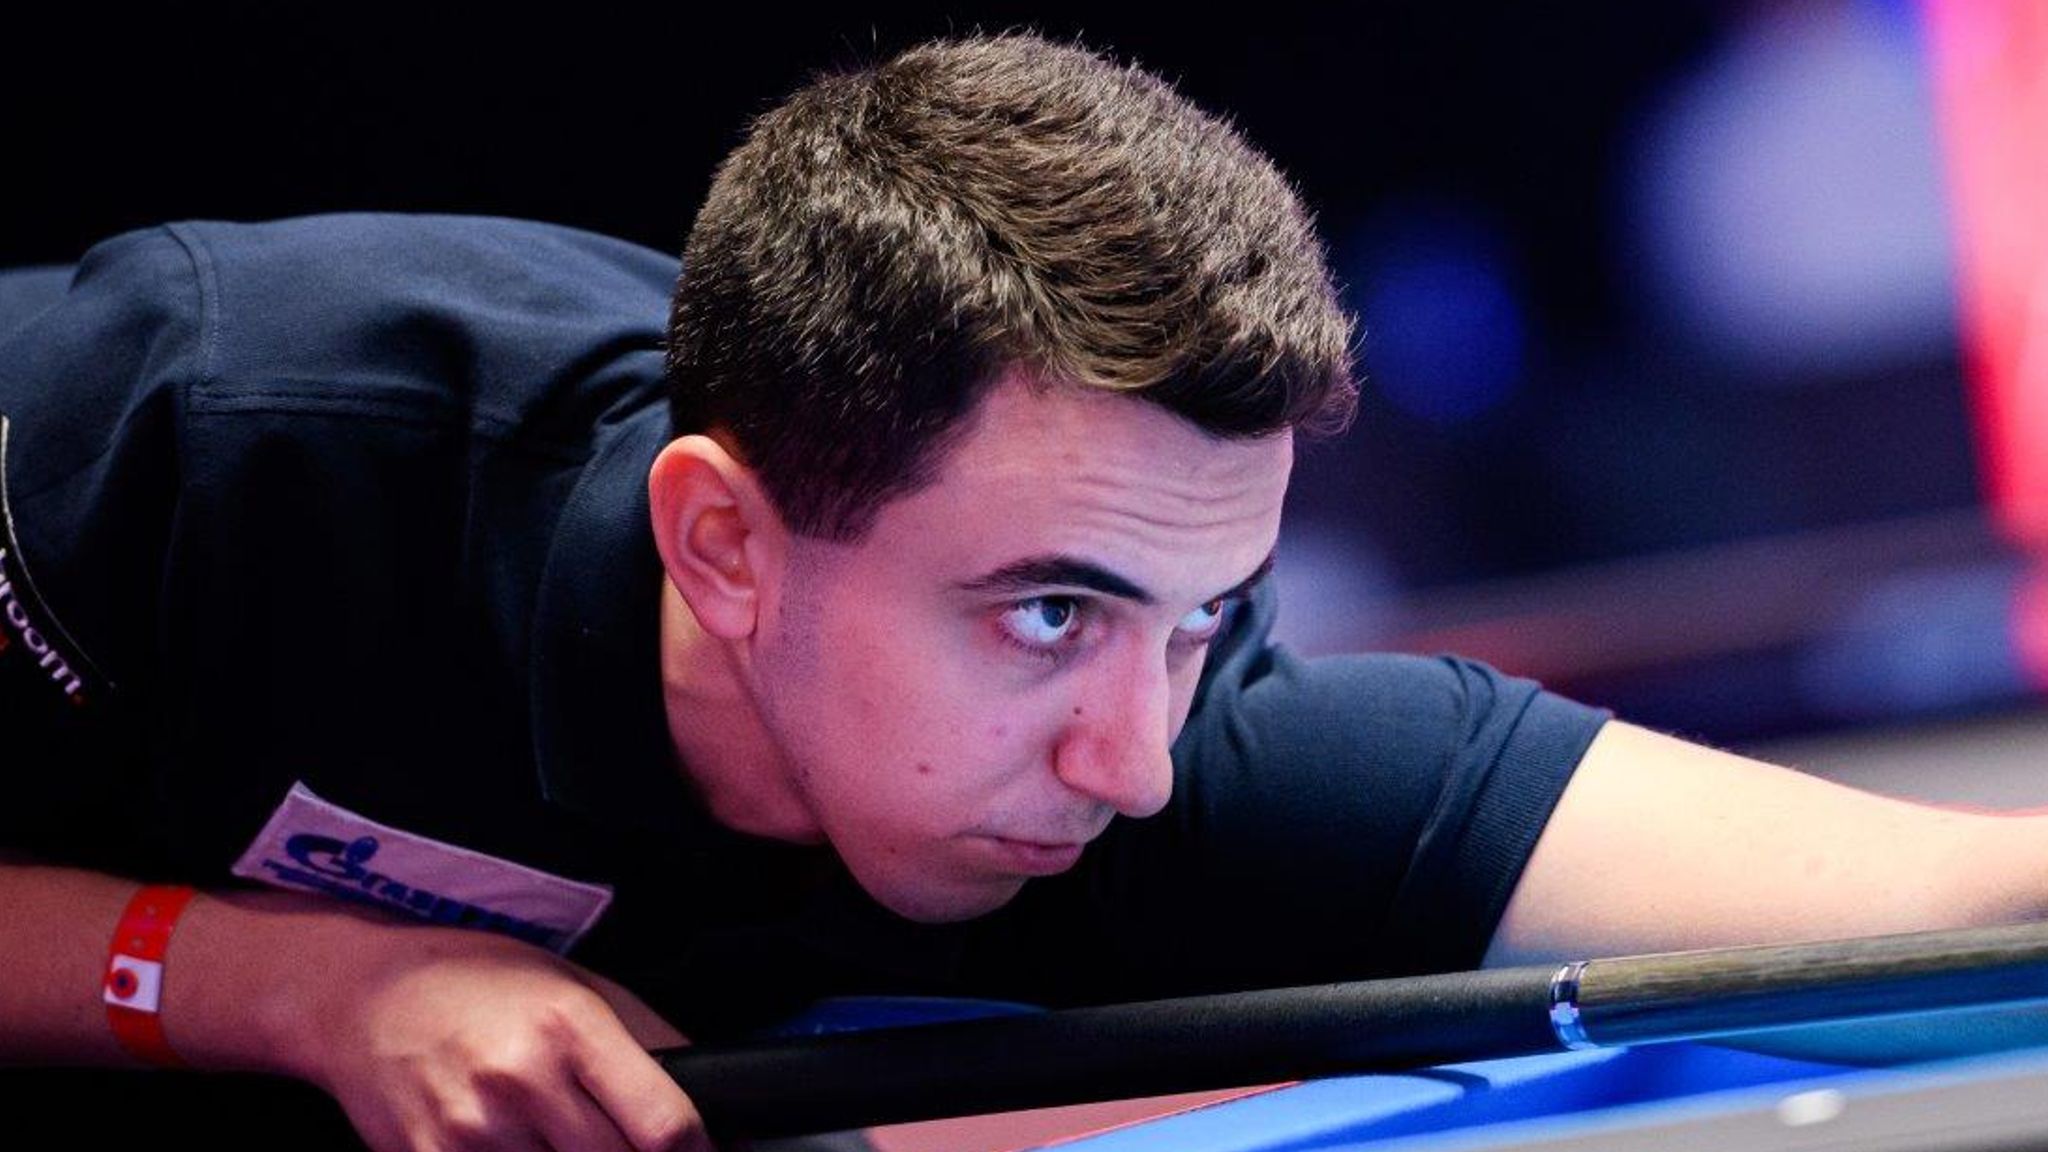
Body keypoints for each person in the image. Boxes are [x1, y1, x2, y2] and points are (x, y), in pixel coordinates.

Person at [2, 31, 2043, 1152]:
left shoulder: (1182, 754)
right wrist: (299, 988)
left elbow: (1959, 900)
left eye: (1199, 615)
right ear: (724, 546)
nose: (1129, 762)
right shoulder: (209, 428)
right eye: (1049, 615)